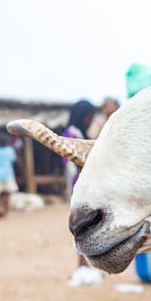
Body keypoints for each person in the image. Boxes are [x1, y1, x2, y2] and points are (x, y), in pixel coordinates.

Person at [63, 100, 103, 287]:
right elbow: (71, 164)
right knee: (83, 226)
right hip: (79, 187)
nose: (90, 120)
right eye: (89, 116)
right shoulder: (72, 134)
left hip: (85, 186)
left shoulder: (80, 133)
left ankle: (85, 263)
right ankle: (82, 263)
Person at [0, 134, 18, 218]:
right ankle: (6, 212)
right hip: (8, 174)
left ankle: (0, 209)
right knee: (7, 194)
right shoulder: (10, 150)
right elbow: (14, 160)